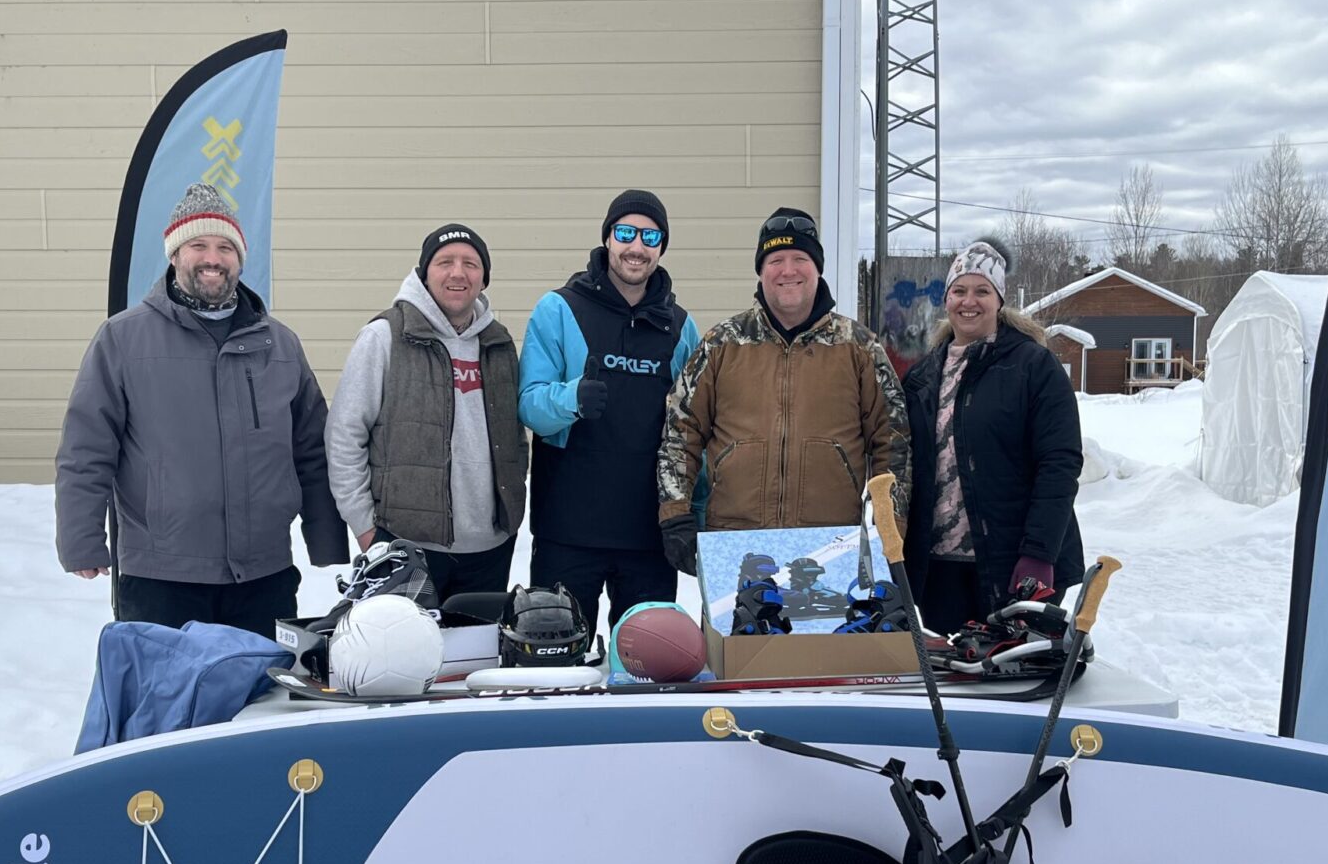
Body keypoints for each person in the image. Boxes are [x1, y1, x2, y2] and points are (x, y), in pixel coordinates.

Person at [54, 182, 348, 636]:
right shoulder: (123, 339)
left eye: (225, 247)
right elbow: (86, 447)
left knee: (258, 701)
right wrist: (82, 539)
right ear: (174, 255)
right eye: (198, 245)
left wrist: (325, 538)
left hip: (262, 574)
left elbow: (311, 448)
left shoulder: (280, 344)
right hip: (162, 576)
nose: (213, 258)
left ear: (240, 259)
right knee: (169, 700)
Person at [656, 207, 909, 573]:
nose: (788, 270)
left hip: (832, 548)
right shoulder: (722, 344)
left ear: (817, 267)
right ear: (761, 270)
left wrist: (890, 530)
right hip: (736, 543)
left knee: (822, 632)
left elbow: (894, 444)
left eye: (800, 258)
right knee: (733, 634)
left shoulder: (859, 348)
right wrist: (675, 513)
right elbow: (680, 432)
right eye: (775, 259)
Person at [519, 189, 701, 626]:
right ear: (607, 239)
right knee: (557, 668)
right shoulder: (559, 309)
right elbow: (529, 405)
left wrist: (695, 512)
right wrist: (571, 399)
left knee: (644, 671)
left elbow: (696, 428)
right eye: (625, 233)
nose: (636, 247)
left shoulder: (681, 327)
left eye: (650, 237)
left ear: (661, 247)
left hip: (648, 536)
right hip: (568, 531)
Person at [328, 224, 527, 604]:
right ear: (423, 273)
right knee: (405, 662)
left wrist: (510, 516)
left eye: (470, 263)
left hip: (489, 550)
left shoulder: (498, 343)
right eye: (445, 262)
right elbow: (344, 436)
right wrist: (367, 530)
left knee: (473, 662)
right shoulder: (386, 335)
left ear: (484, 278)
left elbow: (515, 437)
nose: (458, 273)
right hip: (404, 546)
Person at [902, 241, 1086, 633]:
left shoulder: (1034, 367)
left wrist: (1038, 552)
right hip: (937, 570)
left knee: (1012, 680)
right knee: (948, 680)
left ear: (999, 299)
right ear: (946, 299)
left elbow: (1060, 462)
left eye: (982, 291)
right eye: (959, 291)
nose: (970, 302)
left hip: (1014, 564)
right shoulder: (922, 377)